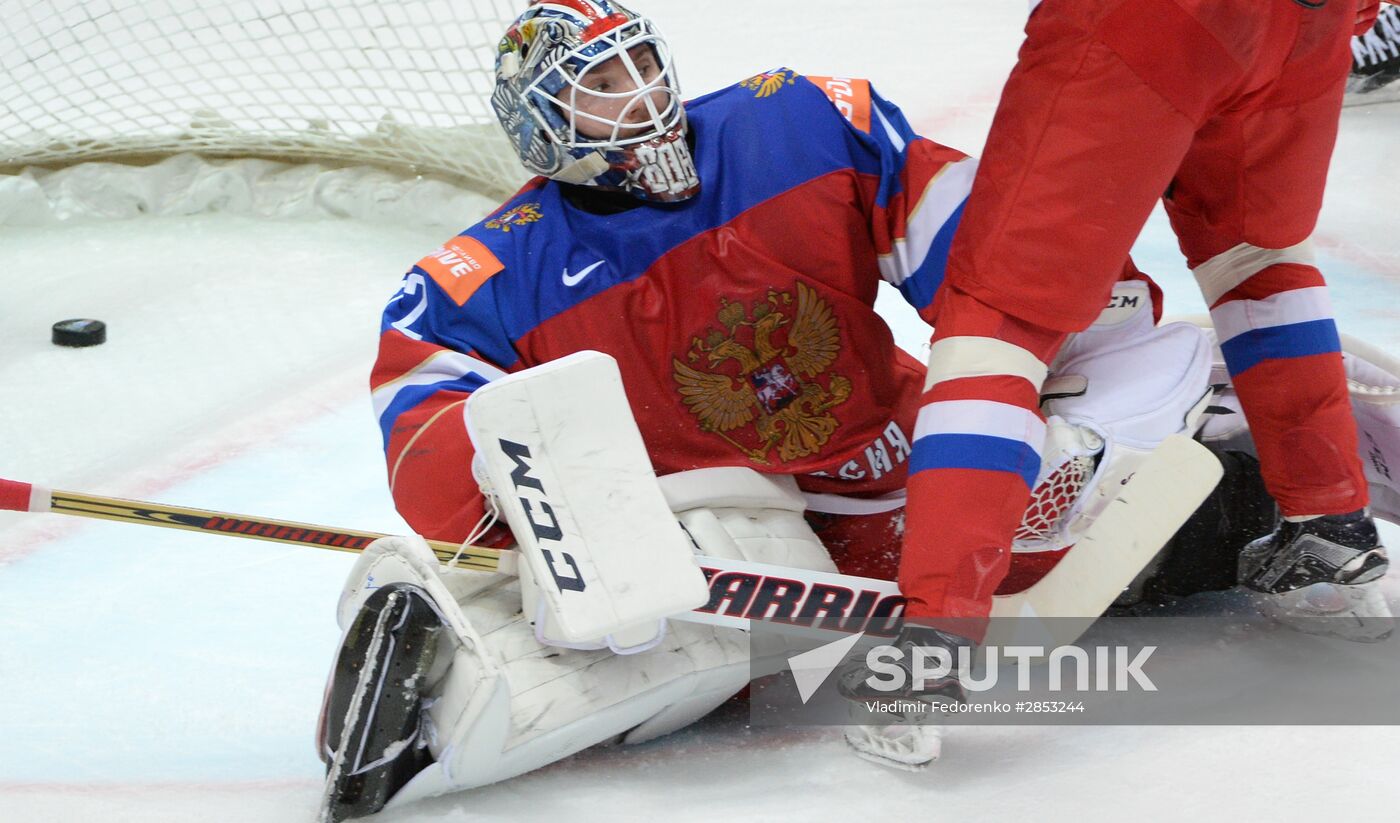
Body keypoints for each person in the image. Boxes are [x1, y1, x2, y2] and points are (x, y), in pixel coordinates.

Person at [318, 1, 1400, 817]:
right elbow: (424, 441)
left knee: (1155, 364)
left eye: (640, 63)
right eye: (599, 84)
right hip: (757, 530)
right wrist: (557, 513)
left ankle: (1221, 463)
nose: (637, 95)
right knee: (668, 650)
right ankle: (421, 700)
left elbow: (993, 262)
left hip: (935, 478)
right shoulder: (480, 276)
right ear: (538, 125)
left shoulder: (790, 123)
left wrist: (1070, 359)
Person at [895, 0, 1398, 679]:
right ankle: (1330, 523)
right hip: (1308, 24)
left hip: (1158, 19)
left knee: (1002, 313)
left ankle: (935, 630)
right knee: (1258, 260)